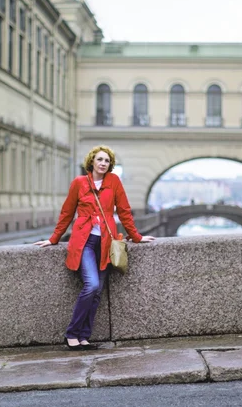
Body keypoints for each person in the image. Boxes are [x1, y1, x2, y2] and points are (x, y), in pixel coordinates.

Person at [34, 145, 154, 350]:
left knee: (98, 292)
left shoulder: (114, 182)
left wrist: (136, 236)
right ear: (92, 162)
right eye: (100, 159)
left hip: (106, 242)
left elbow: (124, 211)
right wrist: (54, 239)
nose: (103, 163)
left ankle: (84, 337)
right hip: (85, 241)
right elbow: (67, 212)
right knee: (91, 285)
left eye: (107, 161)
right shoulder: (79, 183)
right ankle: (72, 334)